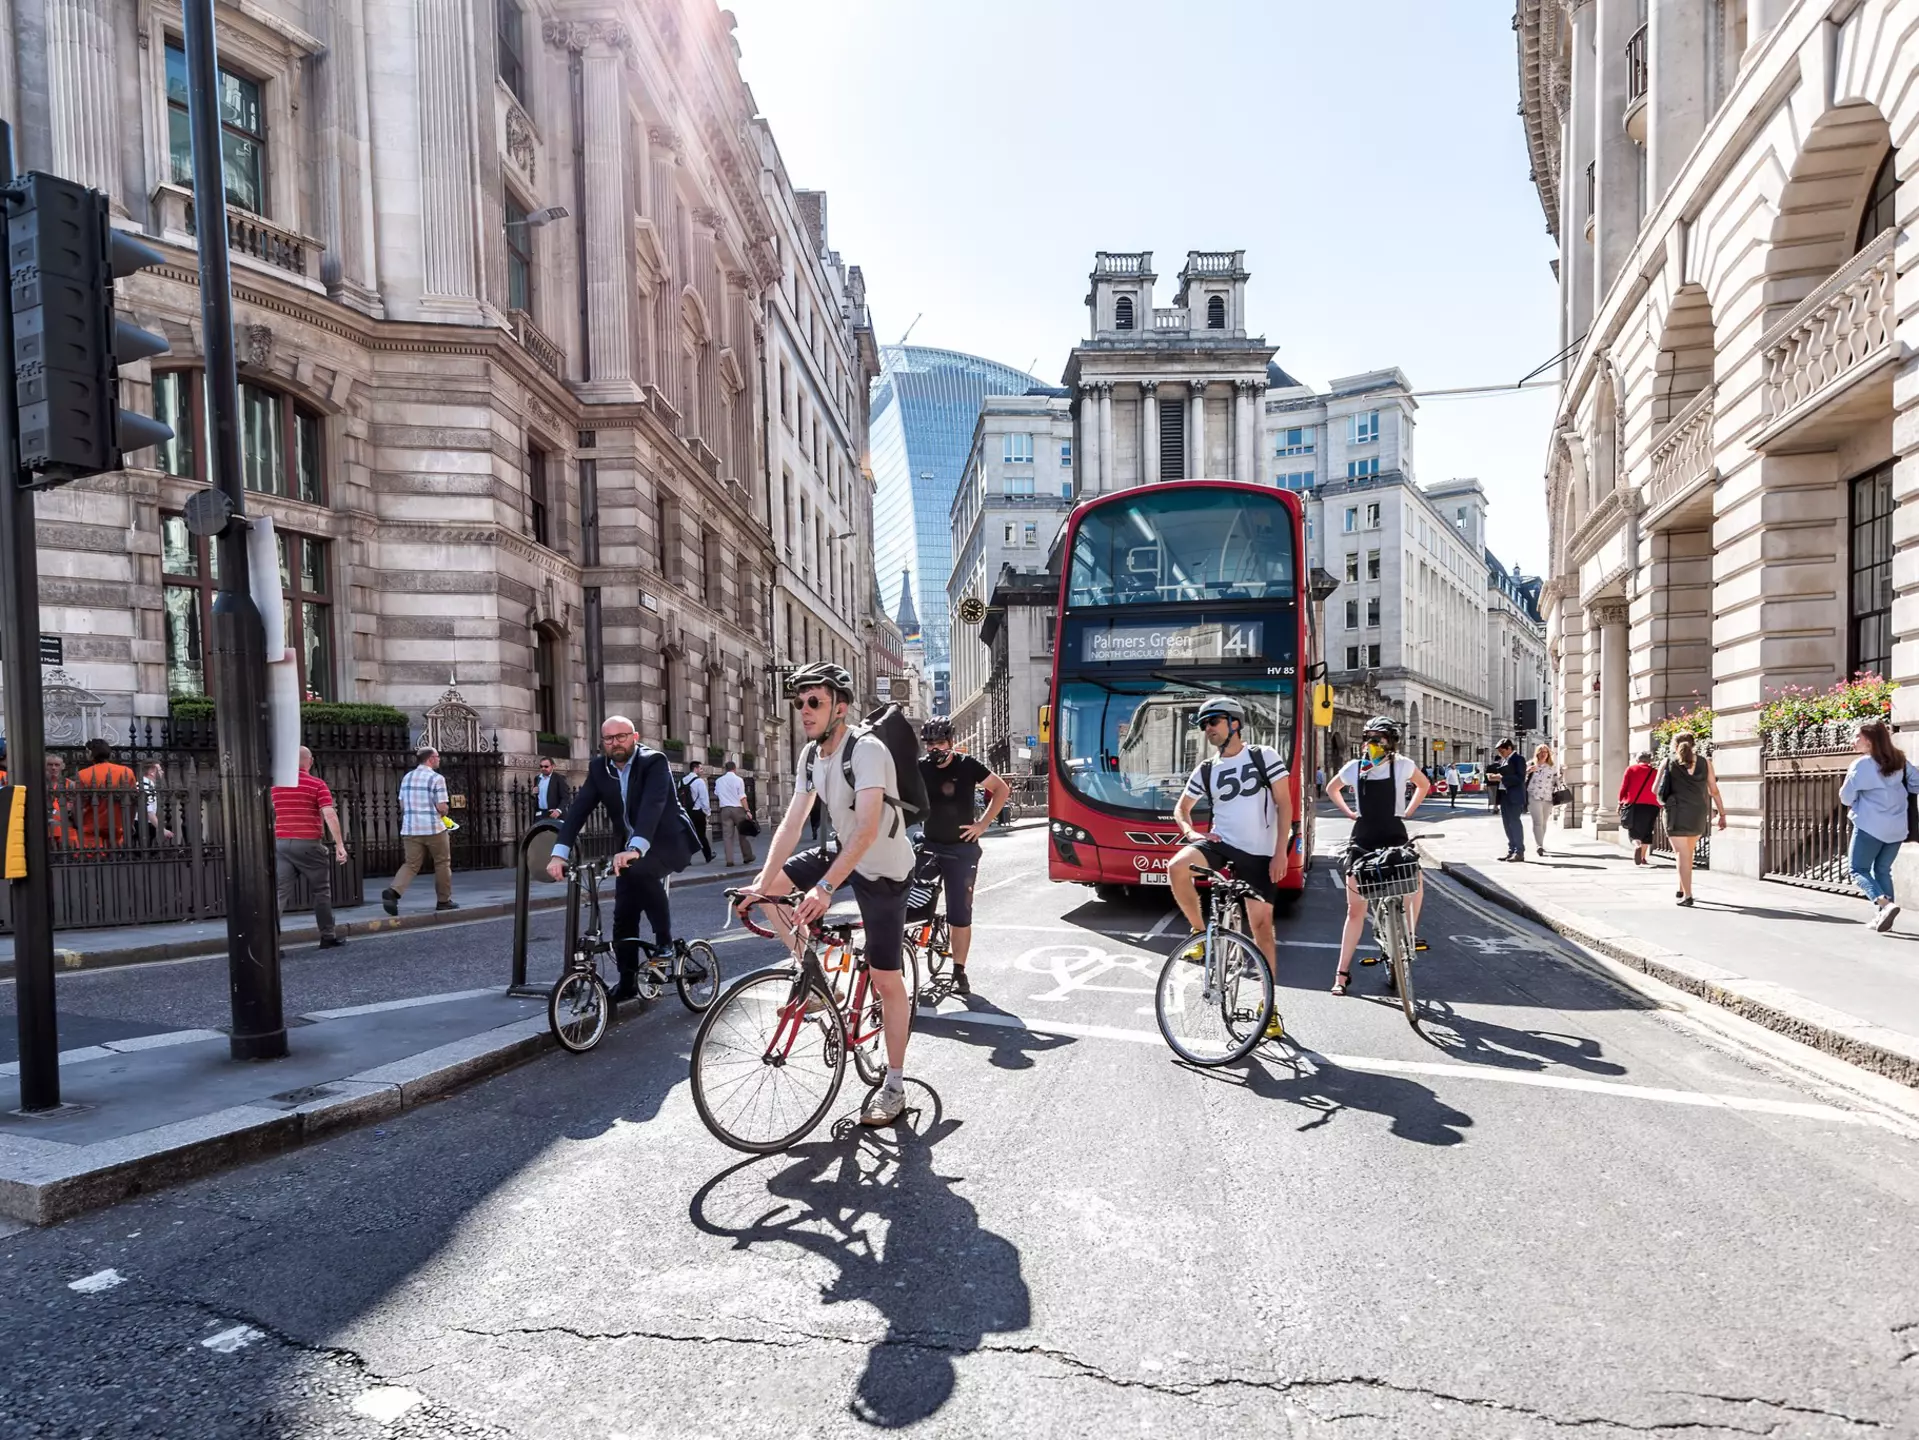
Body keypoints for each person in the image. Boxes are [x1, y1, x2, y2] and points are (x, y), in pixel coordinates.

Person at [736, 662, 917, 1127]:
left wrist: (825, 886)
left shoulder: (868, 750)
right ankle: (819, 981)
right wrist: (761, 881)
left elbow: (868, 826)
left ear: (840, 705)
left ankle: (893, 1085)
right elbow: (793, 822)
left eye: (814, 702)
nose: (804, 711)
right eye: (799, 704)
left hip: (884, 869)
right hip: (842, 851)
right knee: (770, 895)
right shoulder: (811, 755)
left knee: (885, 980)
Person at [547, 715, 701, 1001]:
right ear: (602, 742)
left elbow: (653, 806)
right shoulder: (599, 768)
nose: (615, 743)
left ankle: (664, 943)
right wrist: (559, 853)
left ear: (635, 736)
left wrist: (637, 847)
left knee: (642, 871)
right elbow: (579, 810)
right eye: (609, 738)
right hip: (627, 850)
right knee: (622, 916)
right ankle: (627, 981)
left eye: (622, 736)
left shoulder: (654, 762)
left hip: (665, 840)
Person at [1167, 697, 1293, 1037]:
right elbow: (1182, 809)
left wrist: (1281, 853)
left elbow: (1284, 804)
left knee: (1262, 926)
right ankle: (1199, 933)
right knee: (1177, 867)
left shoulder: (1263, 757)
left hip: (1260, 853)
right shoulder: (1207, 768)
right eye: (1203, 724)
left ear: (1234, 723)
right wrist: (1190, 831)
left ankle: (1269, 1008)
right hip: (1221, 845)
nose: (1207, 728)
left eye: (1213, 721)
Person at [1325, 717, 1430, 995]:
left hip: (1394, 834)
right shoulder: (1354, 768)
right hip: (1364, 837)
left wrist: (1408, 811)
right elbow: (1331, 788)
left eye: (1379, 738)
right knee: (1355, 908)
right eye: (1368, 737)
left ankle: (1408, 935)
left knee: (1416, 882)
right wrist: (1349, 813)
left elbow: (1424, 785)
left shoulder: (1403, 765)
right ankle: (1342, 974)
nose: (1371, 743)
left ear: (1391, 742)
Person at [916, 719, 1009, 998]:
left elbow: (1002, 789)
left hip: (961, 850)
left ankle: (959, 969)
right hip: (930, 845)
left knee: (960, 913)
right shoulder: (921, 767)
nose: (934, 749)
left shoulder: (968, 765)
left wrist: (982, 825)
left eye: (939, 743)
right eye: (930, 743)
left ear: (950, 742)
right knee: (910, 904)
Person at [1839, 719, 1919, 932]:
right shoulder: (1899, 760)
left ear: (1870, 740)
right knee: (1883, 869)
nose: (1853, 740)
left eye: (1857, 736)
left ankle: (1885, 905)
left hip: (1869, 825)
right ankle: (1884, 917)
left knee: (1857, 869)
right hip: (1897, 827)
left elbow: (1846, 798)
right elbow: (1916, 783)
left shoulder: (1861, 764)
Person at [273, 746, 349, 949]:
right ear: (309, 761)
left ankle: (270, 943)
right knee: (321, 891)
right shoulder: (316, 784)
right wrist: (340, 845)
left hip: (281, 843)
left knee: (279, 893)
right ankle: (327, 936)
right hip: (308, 843)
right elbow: (329, 814)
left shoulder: (276, 786)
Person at [383, 746, 455, 915]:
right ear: (430, 759)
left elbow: (402, 804)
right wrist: (445, 812)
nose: (439, 759)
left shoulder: (407, 777)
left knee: (411, 864)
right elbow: (441, 806)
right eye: (437, 756)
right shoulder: (437, 778)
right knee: (442, 863)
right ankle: (443, 901)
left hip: (410, 829)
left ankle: (393, 891)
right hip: (433, 828)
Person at [1658, 730, 1725, 906]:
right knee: (1689, 852)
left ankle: (1688, 895)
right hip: (1698, 812)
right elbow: (1714, 790)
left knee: (1681, 853)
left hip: (1676, 813)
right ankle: (1681, 888)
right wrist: (1722, 814)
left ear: (1674, 745)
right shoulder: (1705, 762)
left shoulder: (1668, 762)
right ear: (1694, 744)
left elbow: (1654, 789)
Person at [76, 737, 137, 849]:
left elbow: (80, 803)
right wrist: (130, 822)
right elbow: (133, 801)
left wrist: (77, 822)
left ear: (90, 753)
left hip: (92, 826)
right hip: (118, 824)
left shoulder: (83, 774)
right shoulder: (126, 772)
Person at [1619, 751, 1661, 865]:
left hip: (1634, 803)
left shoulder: (1631, 769)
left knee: (1633, 830)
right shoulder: (1655, 772)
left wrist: (1621, 800)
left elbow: (1624, 786)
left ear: (1638, 760)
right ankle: (1642, 857)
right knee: (1648, 829)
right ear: (1650, 761)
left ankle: (1637, 844)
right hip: (1652, 805)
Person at [1524, 743, 1563, 857]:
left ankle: (1541, 842)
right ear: (1537, 753)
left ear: (1548, 754)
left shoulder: (1552, 766)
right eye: (1540, 752)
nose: (1543, 754)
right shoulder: (1530, 765)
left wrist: (1562, 775)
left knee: (1544, 822)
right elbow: (1521, 778)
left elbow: (1556, 781)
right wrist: (1528, 771)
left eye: (1545, 752)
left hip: (1548, 797)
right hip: (1534, 796)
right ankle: (1539, 845)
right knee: (1538, 821)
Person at [1492, 739, 1528, 861]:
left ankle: (1519, 852)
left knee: (1514, 823)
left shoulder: (1518, 759)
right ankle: (1511, 850)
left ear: (1509, 748)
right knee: (1507, 824)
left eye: (1502, 750)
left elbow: (1520, 778)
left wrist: (1501, 778)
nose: (1500, 753)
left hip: (1514, 796)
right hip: (1505, 796)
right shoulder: (1505, 760)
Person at [714, 759, 755, 865]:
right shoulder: (739, 780)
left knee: (727, 836)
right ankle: (747, 856)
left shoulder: (719, 781)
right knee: (742, 833)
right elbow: (742, 797)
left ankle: (729, 860)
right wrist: (747, 810)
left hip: (725, 809)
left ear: (725, 769)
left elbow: (717, 793)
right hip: (738, 809)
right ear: (734, 769)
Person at [679, 762, 714, 863]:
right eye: (701, 768)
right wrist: (707, 812)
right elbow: (704, 799)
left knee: (687, 835)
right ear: (695, 768)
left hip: (686, 812)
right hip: (697, 812)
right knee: (701, 835)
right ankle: (708, 856)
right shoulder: (699, 782)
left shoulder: (682, 781)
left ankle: (687, 859)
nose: (702, 771)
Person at [535, 756, 572, 820]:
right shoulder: (537, 778)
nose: (543, 768)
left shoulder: (559, 778)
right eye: (541, 766)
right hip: (541, 814)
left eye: (546, 766)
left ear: (553, 766)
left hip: (555, 814)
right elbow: (537, 797)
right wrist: (533, 793)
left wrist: (558, 810)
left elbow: (566, 797)